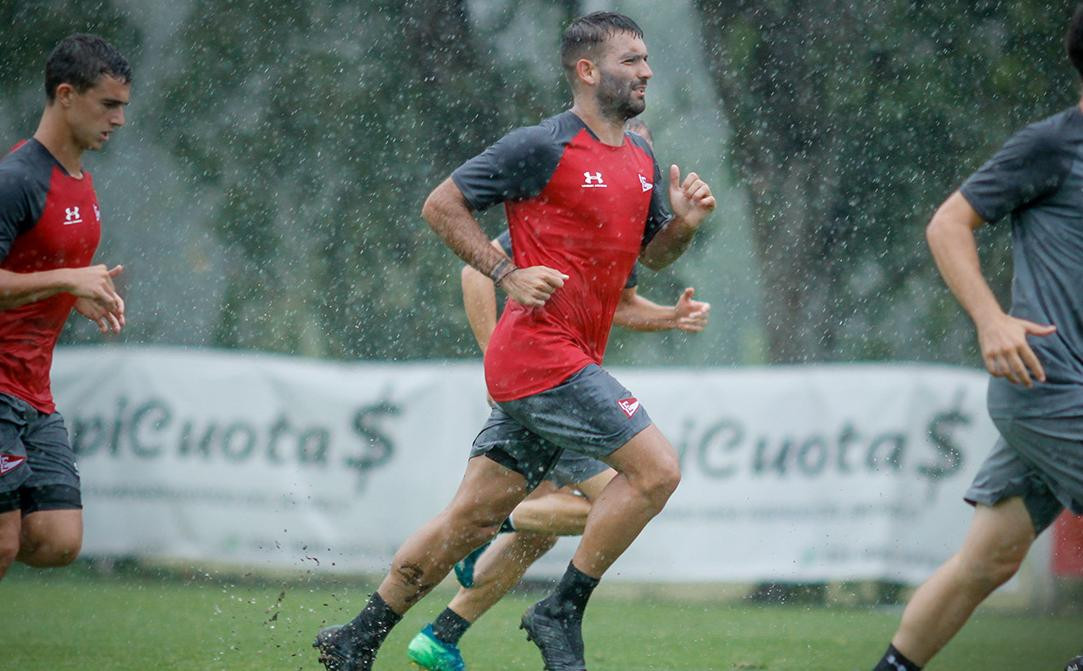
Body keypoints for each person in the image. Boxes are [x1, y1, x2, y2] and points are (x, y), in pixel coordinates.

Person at [315, 12, 715, 671]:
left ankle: (358, 635)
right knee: (656, 470)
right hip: (540, 360)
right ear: (586, 71)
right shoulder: (541, 146)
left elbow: (654, 258)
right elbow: (440, 204)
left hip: (559, 364)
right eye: (630, 60)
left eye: (646, 59)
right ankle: (560, 609)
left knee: (469, 523)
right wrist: (504, 271)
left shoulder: (642, 157)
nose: (645, 71)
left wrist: (687, 225)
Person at [408, 125, 712, 668]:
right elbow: (473, 274)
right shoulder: (563, 209)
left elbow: (621, 304)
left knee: (554, 531)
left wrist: (672, 316)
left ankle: (443, 633)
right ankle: (500, 527)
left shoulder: (619, 224)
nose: (629, 162)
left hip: (562, 379)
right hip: (540, 382)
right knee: (617, 496)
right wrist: (494, 362)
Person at [871, 6, 1083, 670]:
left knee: (986, 558)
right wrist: (991, 319)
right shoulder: (1052, 143)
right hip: (1042, 379)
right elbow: (946, 224)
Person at [0, 34, 130, 581]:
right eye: (109, 105)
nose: (119, 120)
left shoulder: (80, 184)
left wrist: (71, 293)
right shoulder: (16, 180)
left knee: (56, 539)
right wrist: (67, 279)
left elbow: (35, 273)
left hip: (34, 390)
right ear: (66, 95)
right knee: (3, 542)